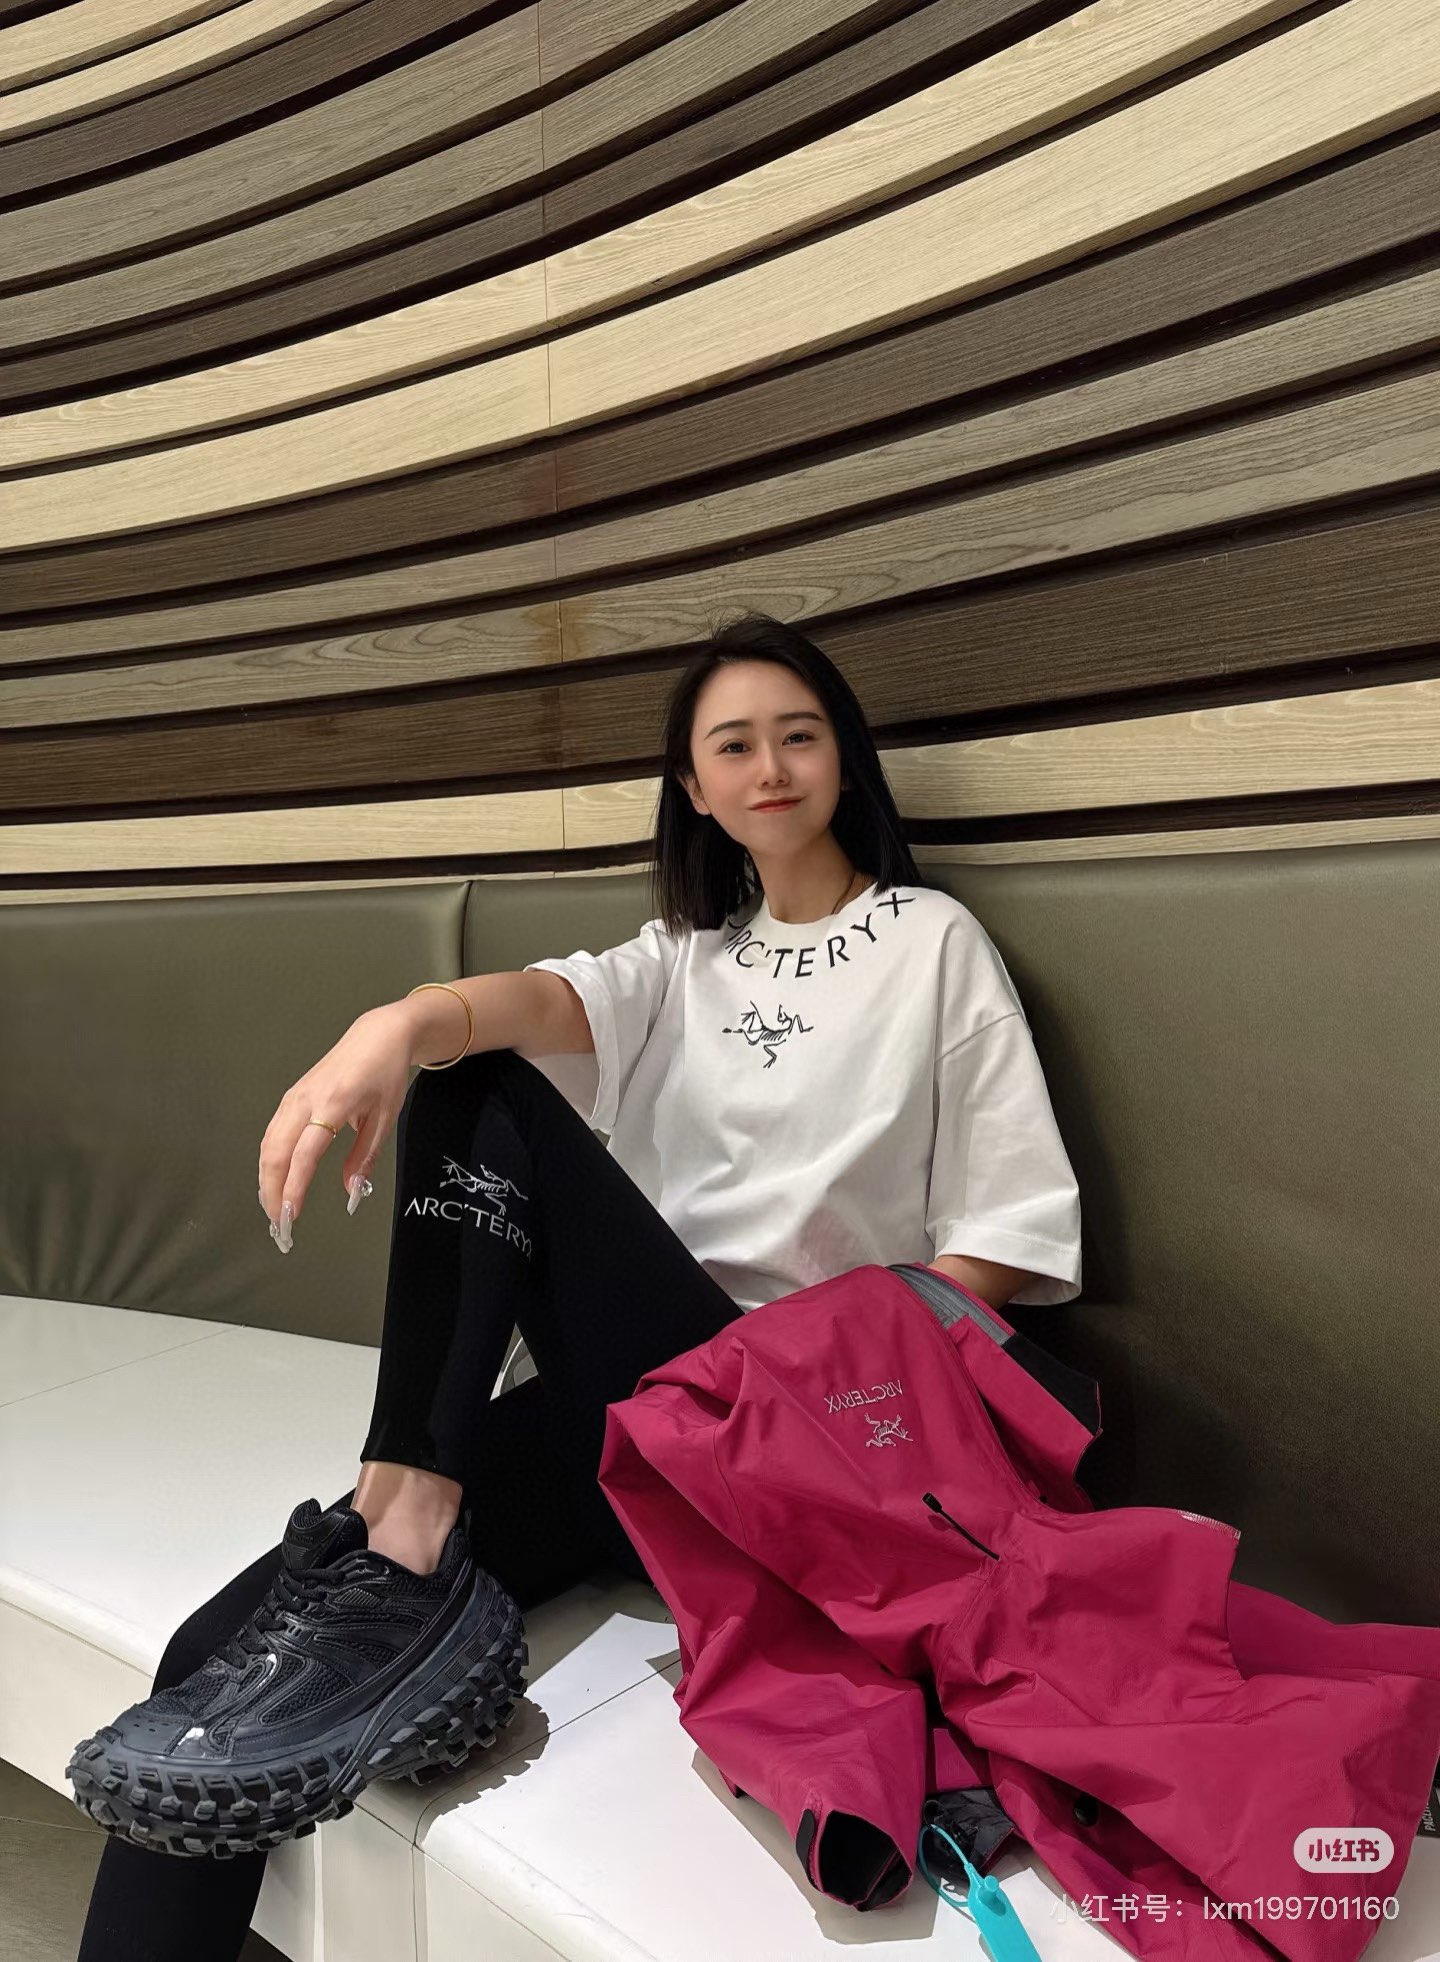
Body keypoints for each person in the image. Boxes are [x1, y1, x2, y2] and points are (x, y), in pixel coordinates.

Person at [72, 609, 1082, 1960]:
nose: (770, 766)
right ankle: (398, 1539)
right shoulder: (682, 961)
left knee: (475, 1083)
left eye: (798, 735)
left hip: (807, 1426)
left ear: (843, 757)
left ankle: (403, 1531)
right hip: (637, 1426)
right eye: (734, 744)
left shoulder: (932, 942)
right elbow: (517, 1007)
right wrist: (392, 1024)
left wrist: (832, 1380)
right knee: (217, 1666)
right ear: (693, 785)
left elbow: (1007, 1239)